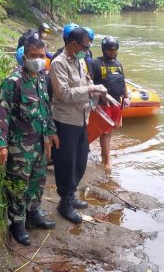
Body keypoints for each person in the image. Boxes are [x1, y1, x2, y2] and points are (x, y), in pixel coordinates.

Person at [0, 38, 60, 246]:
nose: (38, 60)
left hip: (39, 142)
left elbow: (45, 109)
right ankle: (17, 224)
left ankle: (33, 213)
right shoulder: (13, 82)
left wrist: (51, 132)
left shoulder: (41, 78)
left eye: (42, 56)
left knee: (38, 181)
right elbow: (2, 114)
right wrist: (1, 144)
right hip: (20, 146)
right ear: (24, 57)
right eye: (33, 56)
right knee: (19, 185)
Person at [50, 27, 108, 224]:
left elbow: (84, 83)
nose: (87, 49)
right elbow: (64, 94)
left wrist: (96, 96)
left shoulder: (79, 60)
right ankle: (64, 202)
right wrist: (91, 88)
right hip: (66, 120)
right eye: (85, 45)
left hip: (82, 118)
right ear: (73, 44)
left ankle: (71, 194)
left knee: (81, 159)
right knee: (66, 162)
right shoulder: (59, 63)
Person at [90, 36, 130, 171]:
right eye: (110, 50)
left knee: (111, 129)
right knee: (105, 132)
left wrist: (126, 97)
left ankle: (103, 153)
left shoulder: (118, 64)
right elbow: (89, 82)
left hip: (116, 102)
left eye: (115, 50)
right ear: (104, 50)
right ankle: (107, 160)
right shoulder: (96, 63)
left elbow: (123, 81)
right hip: (103, 103)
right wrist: (93, 102)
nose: (113, 52)